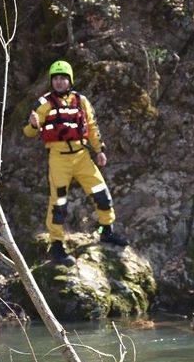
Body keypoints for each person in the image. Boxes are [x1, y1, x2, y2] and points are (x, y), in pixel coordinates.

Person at [23, 60, 128, 266]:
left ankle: (106, 230)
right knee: (59, 203)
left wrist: (99, 150)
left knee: (101, 193)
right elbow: (28, 132)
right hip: (59, 159)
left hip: (82, 157)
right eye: (56, 78)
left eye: (63, 78)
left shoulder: (81, 101)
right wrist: (33, 125)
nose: (59, 82)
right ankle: (56, 245)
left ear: (70, 80)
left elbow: (92, 127)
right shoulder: (43, 104)